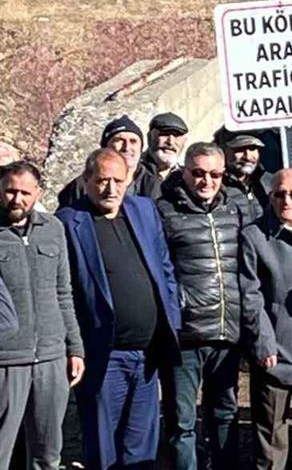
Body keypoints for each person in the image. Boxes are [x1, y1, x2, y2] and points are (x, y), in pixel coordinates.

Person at [56, 148, 182, 470]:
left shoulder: (144, 210)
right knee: (103, 447)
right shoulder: (69, 222)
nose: (110, 189)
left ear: (128, 181)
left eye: (118, 181)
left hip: (148, 355)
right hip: (104, 356)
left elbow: (165, 268)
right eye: (101, 181)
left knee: (142, 449)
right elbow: (63, 290)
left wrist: (171, 320)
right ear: (86, 181)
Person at [155, 143, 247, 470]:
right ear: (184, 172)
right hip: (186, 335)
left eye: (215, 174)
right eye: (198, 173)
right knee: (182, 423)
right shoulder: (164, 211)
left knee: (224, 414)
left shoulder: (235, 209)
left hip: (226, 331)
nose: (206, 181)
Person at [239, 168, 292, 470]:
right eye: (279, 194)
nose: (286, 200)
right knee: (271, 442)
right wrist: (264, 343)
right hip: (274, 353)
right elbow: (251, 297)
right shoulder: (253, 237)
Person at [0, 161, 84, 470]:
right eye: (10, 191)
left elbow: (64, 293)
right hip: (6, 361)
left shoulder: (54, 230)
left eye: (25, 192)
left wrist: (74, 348)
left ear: (38, 193)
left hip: (51, 358)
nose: (17, 199)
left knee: (47, 455)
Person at [57, 116, 162, 207]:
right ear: (105, 147)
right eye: (119, 140)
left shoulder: (155, 182)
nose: (127, 147)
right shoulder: (82, 185)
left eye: (133, 141)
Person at [220, 131, 273, 223]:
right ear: (224, 150)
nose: (248, 157)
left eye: (253, 148)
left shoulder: (270, 182)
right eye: (240, 149)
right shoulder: (216, 185)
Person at [140, 113, 188, 184]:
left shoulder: (187, 177)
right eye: (165, 134)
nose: (170, 142)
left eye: (176, 136)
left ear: (184, 142)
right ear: (150, 137)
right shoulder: (132, 170)